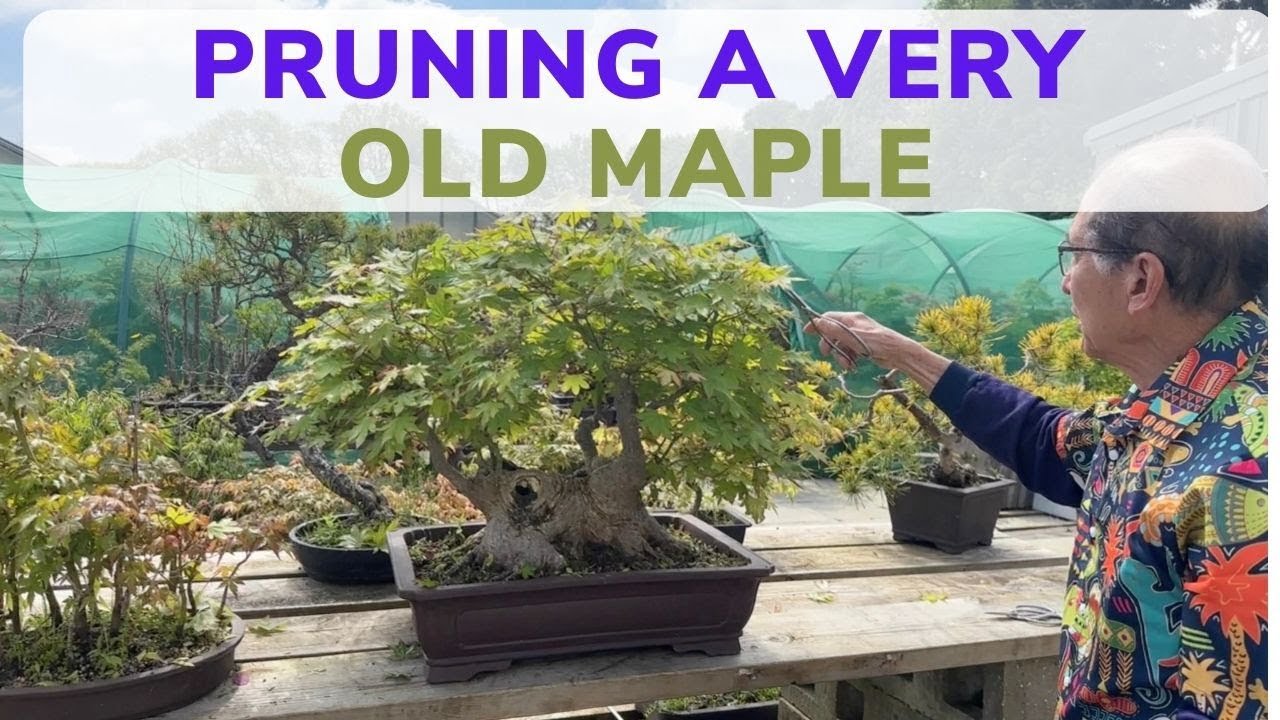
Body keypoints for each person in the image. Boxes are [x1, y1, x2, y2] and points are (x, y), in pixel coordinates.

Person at [805, 133, 1267, 720]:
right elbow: (1050, 444)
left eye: (1073, 255)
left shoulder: (1245, 478)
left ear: (1141, 281)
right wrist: (898, 350)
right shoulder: (1179, 403)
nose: (1067, 282)